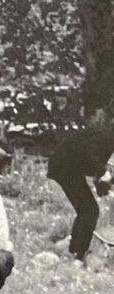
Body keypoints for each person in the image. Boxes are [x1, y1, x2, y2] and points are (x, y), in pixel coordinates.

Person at [47, 106, 114, 262]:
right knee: (89, 210)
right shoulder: (109, 137)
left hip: (68, 165)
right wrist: (103, 173)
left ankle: (74, 250)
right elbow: (84, 150)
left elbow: (94, 163)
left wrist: (103, 183)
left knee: (87, 209)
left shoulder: (107, 139)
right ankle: (77, 255)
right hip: (65, 165)